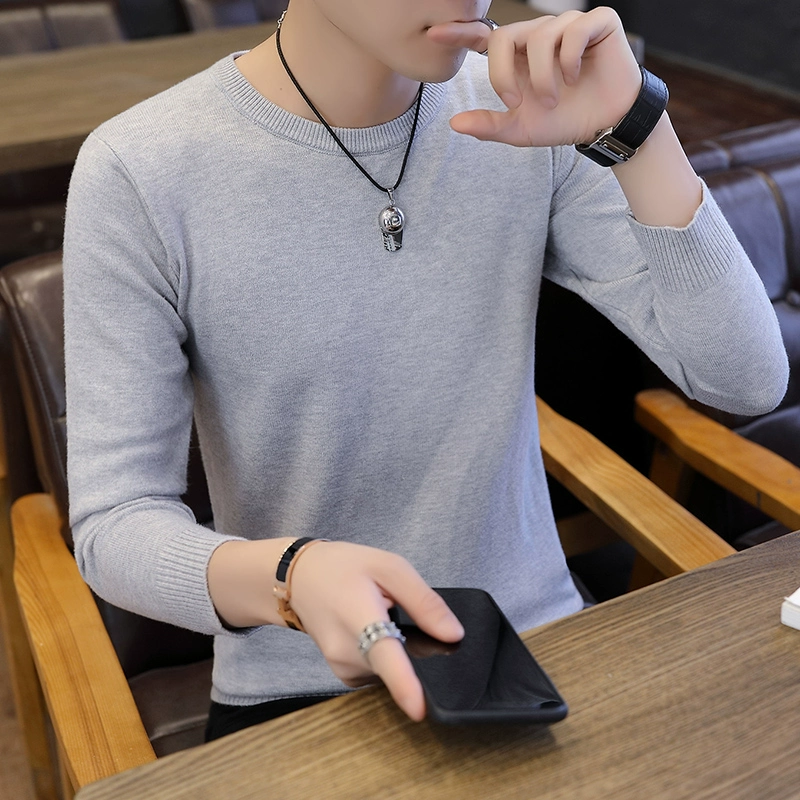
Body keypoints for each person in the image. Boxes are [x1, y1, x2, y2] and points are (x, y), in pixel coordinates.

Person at [62, 1, 788, 738]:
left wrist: (636, 130)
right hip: (298, 687)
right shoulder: (140, 169)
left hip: (540, 644)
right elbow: (115, 524)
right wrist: (291, 578)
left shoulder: (528, 110)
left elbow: (745, 379)